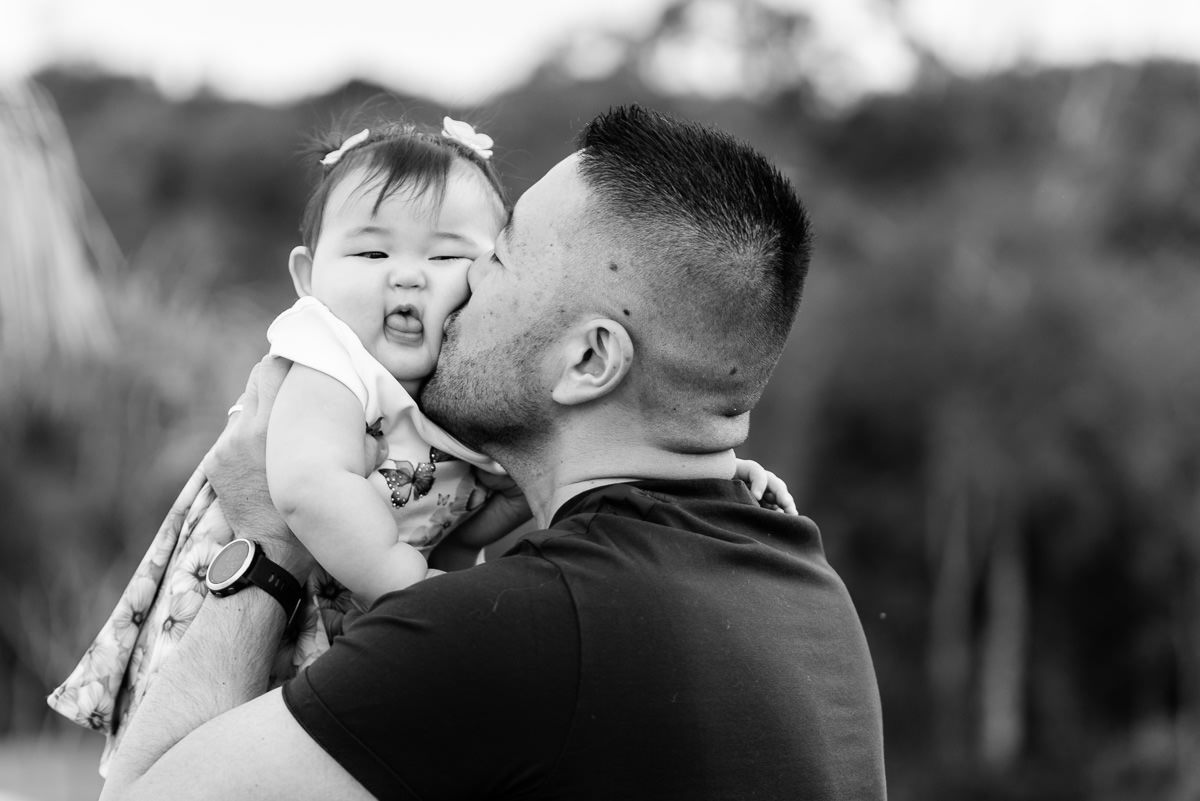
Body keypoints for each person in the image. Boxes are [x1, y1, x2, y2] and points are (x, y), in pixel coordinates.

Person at [98, 105, 885, 800]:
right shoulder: (809, 595)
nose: (460, 283)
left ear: (589, 361)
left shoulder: (518, 632)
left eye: (496, 257)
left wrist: (268, 543)